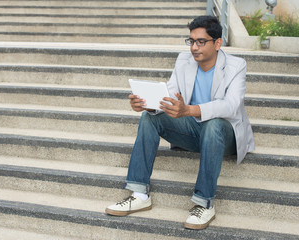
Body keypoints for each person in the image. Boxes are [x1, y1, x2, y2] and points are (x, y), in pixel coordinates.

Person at [105, 15, 255, 230]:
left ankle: (205, 203)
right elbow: (171, 95)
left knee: (213, 125)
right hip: (193, 130)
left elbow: (231, 106)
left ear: (218, 43)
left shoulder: (236, 65)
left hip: (225, 135)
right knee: (150, 117)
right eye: (191, 41)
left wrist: (189, 110)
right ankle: (139, 193)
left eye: (201, 42)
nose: (194, 47)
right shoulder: (184, 60)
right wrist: (148, 104)